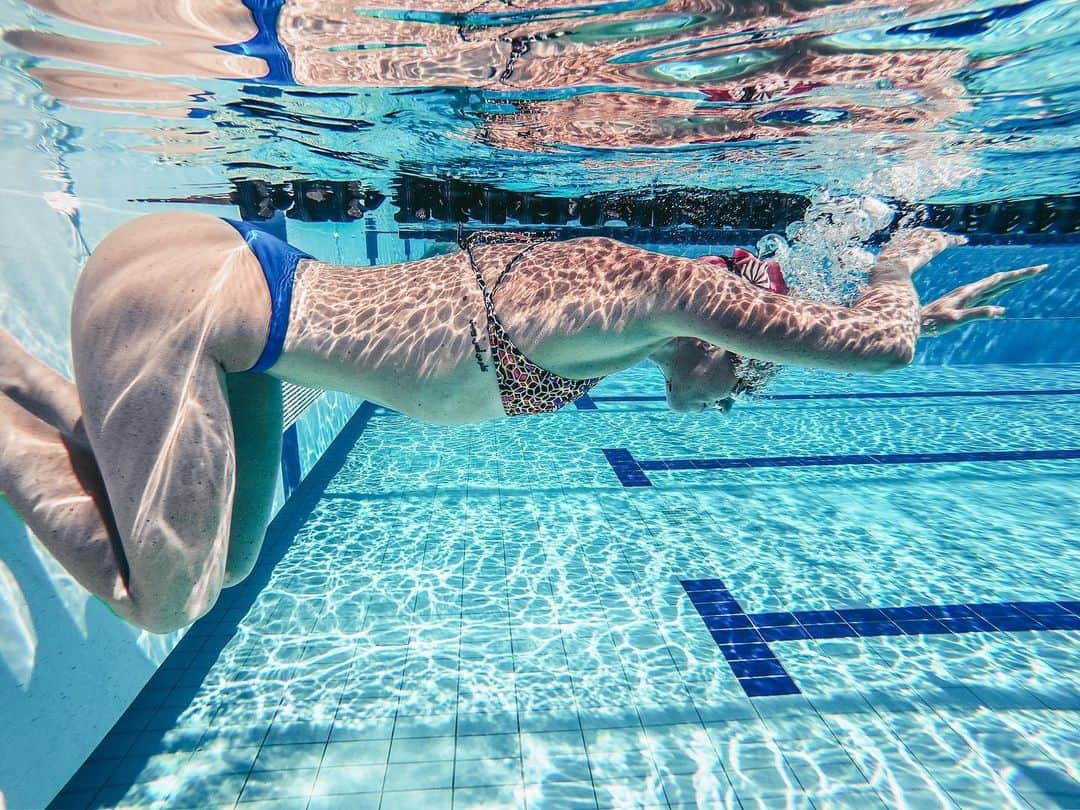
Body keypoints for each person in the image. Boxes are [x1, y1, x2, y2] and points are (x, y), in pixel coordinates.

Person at [0, 212, 1044, 633]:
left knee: (227, 564)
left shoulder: (630, 324)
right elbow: (884, 348)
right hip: (186, 302)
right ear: (740, 323)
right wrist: (898, 276)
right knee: (166, 600)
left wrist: (872, 307)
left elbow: (831, 338)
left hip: (236, 305)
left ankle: (16, 379)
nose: (724, 400)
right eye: (745, 381)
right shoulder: (657, 288)